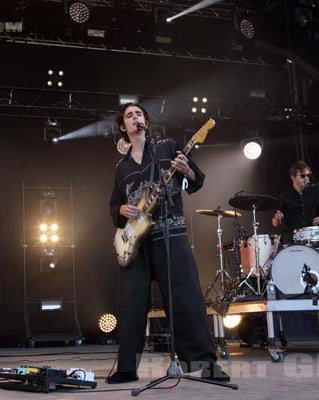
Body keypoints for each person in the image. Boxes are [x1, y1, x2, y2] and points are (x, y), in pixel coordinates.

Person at [107, 103, 229, 383]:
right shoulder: (121, 168)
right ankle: (127, 368)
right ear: (122, 128)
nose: (135, 118)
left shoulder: (167, 147)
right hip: (136, 244)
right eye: (129, 116)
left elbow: (198, 180)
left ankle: (205, 365)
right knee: (131, 304)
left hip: (170, 234)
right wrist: (121, 211)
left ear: (146, 122)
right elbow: (114, 204)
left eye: (139, 114)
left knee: (186, 298)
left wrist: (186, 171)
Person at [272, 161, 319, 244]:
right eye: (302, 176)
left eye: (308, 175)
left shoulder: (315, 191)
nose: (306, 178)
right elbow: (275, 223)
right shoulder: (285, 195)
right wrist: (277, 219)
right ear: (293, 177)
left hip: (311, 236)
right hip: (291, 238)